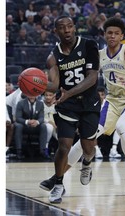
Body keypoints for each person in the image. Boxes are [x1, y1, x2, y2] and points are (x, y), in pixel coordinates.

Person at [40, 17, 125, 196]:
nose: (112, 36)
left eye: (116, 33)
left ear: (122, 36)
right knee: (87, 139)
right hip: (111, 101)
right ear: (104, 35)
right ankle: (57, 176)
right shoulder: (99, 54)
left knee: (121, 127)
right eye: (109, 33)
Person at [43, 15, 101, 204]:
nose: (67, 30)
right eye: (62, 27)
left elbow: (92, 78)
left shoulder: (89, 45)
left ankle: (87, 163)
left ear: (75, 28)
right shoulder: (53, 56)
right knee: (64, 146)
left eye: (69, 26)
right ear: (55, 32)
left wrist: (68, 93)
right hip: (67, 106)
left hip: (89, 103)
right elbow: (55, 85)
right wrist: (35, 83)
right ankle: (58, 184)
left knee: (88, 147)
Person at [14, 94, 48, 160]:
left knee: (43, 126)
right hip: (24, 126)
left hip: (35, 126)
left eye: (33, 94)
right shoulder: (20, 103)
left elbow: (41, 117)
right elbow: (18, 118)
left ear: (37, 95)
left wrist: (37, 122)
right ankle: (19, 151)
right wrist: (27, 121)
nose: (32, 96)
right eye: (30, 94)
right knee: (18, 126)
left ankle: (42, 151)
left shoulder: (40, 103)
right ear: (27, 94)